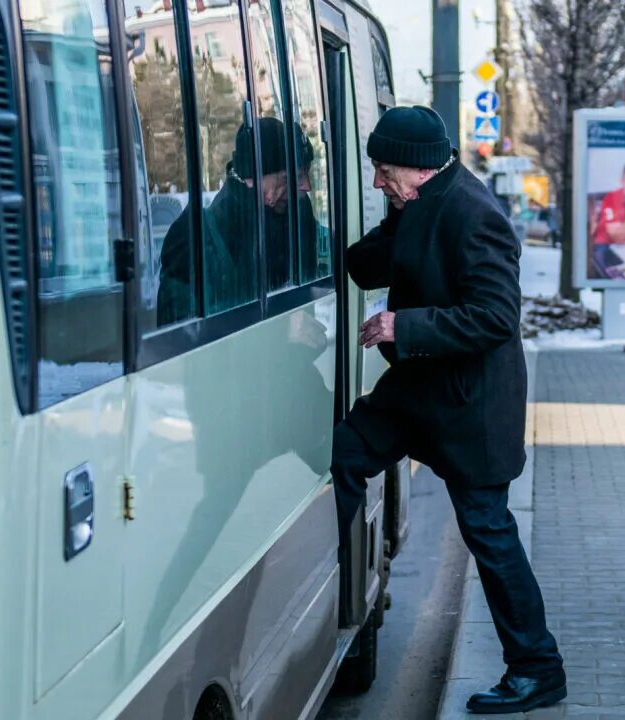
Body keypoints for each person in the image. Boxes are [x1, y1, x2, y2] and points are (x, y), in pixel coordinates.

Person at [333, 105, 567, 715]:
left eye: (384, 172)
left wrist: (399, 324)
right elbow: (373, 259)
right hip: (420, 394)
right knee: (344, 452)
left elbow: (494, 317)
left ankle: (537, 669)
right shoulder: (419, 199)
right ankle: (337, 594)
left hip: (469, 406)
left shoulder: (473, 214)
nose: (379, 183)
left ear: (416, 167)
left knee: (489, 532)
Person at [156, 117, 314, 323]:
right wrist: (283, 328)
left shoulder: (295, 213)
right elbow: (181, 335)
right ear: (255, 176)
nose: (306, 186)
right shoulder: (197, 238)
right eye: (292, 177)